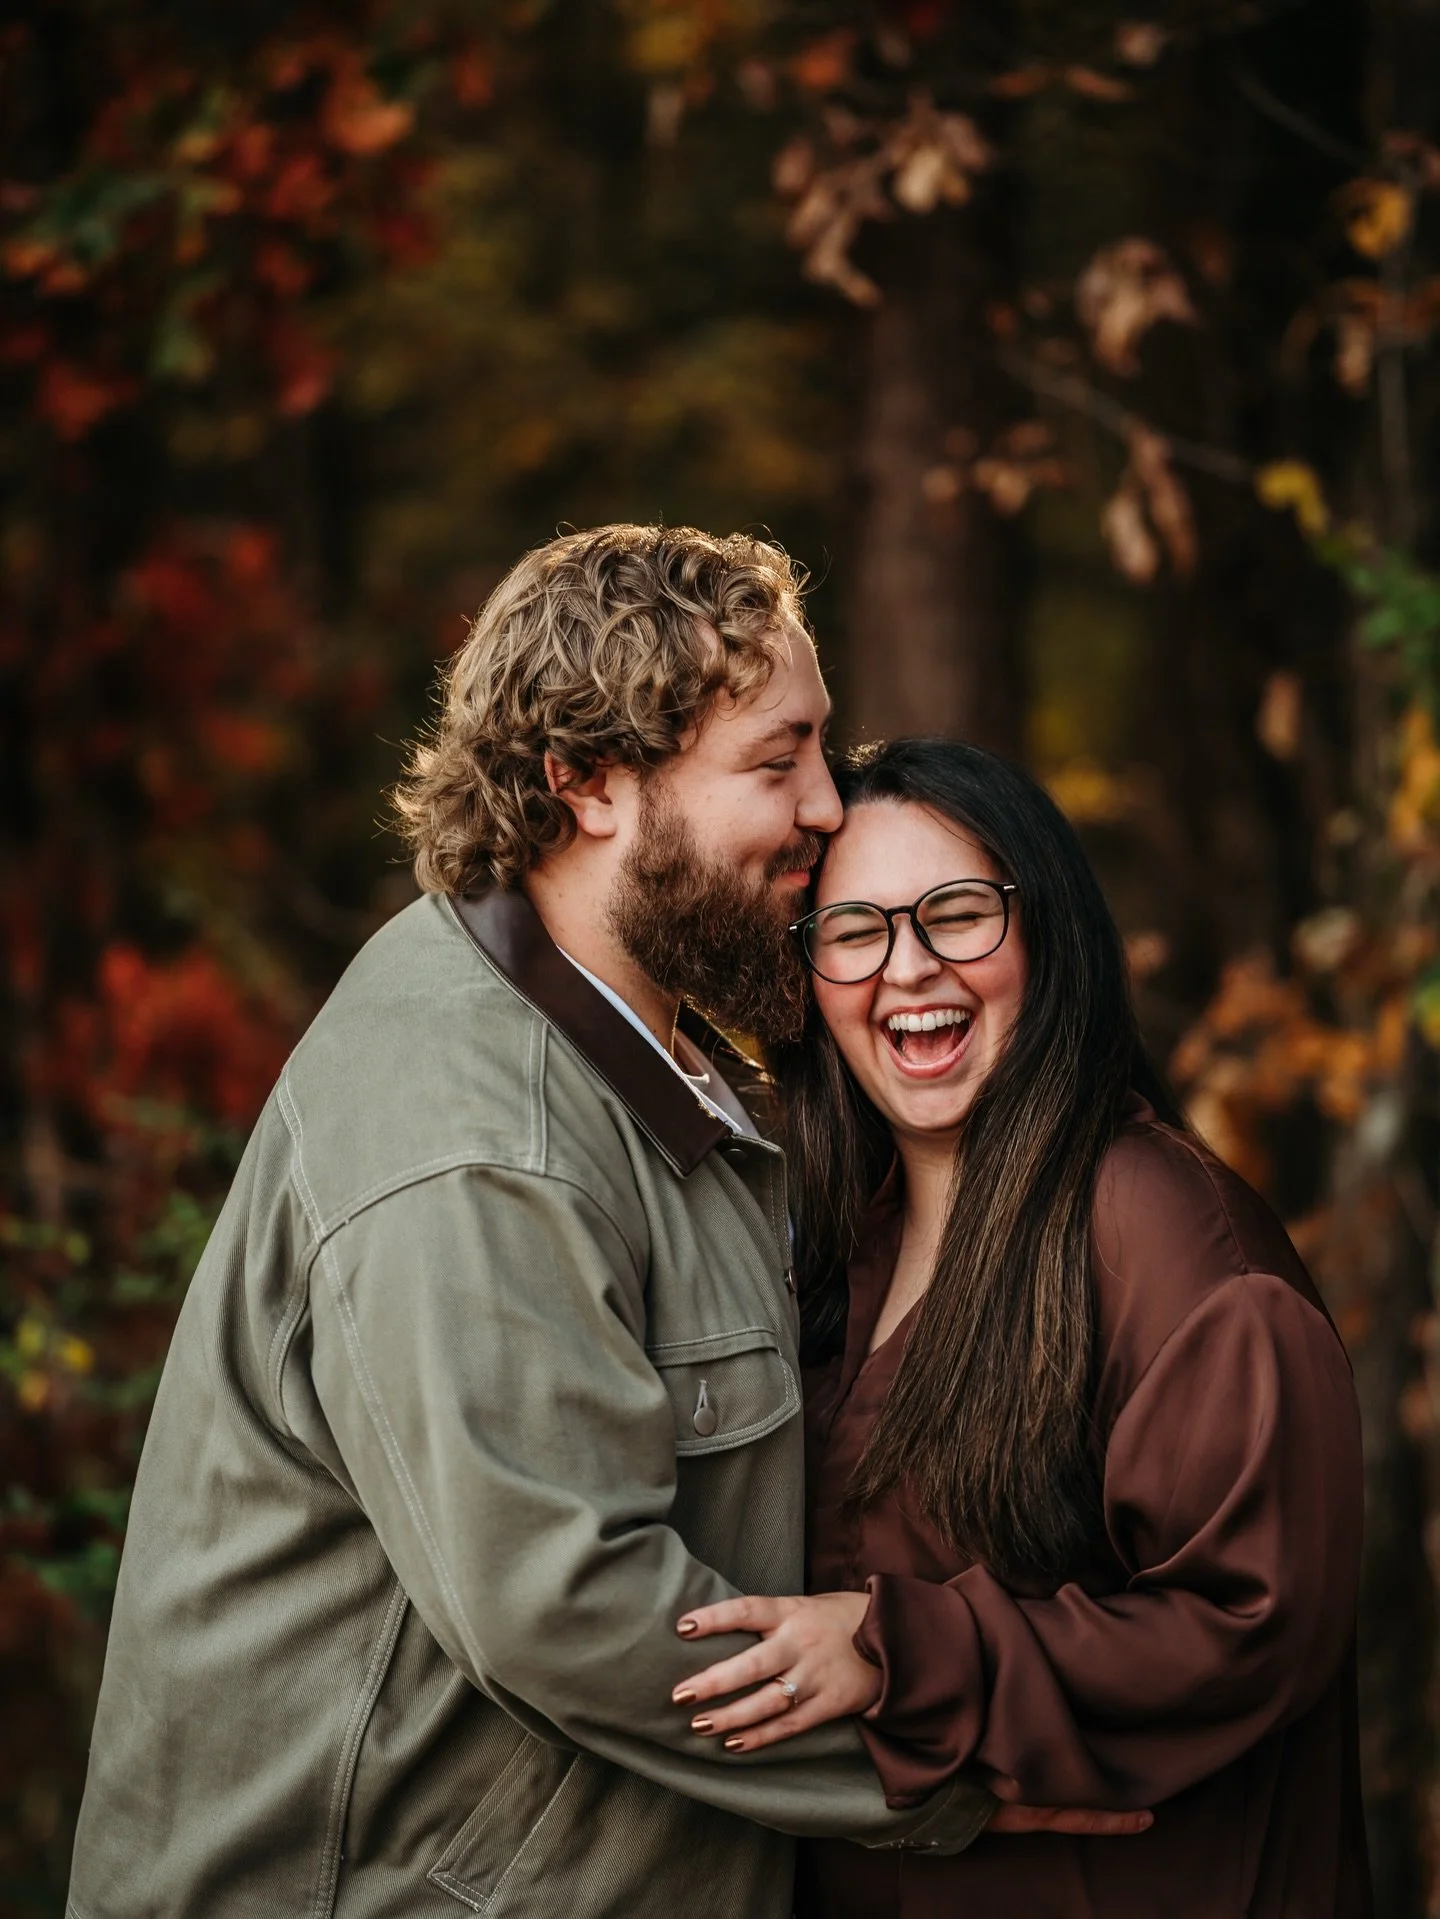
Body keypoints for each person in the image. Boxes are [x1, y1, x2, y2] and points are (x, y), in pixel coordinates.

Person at [67, 531, 1139, 1919]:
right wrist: (949, 1770)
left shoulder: (644, 1050)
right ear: (589, 786)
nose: (829, 805)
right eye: (777, 760)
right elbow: (564, 1604)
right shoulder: (475, 1141)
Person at [672, 737, 1373, 1919]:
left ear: (1047, 931)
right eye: (854, 930)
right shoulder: (835, 1240)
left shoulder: (1176, 1244)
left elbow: (1250, 1620)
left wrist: (903, 1648)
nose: (908, 968)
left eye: (956, 912)